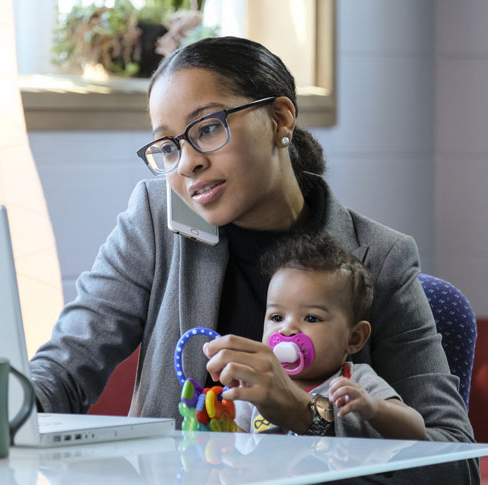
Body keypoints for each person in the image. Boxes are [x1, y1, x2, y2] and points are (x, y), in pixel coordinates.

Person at [30, 36, 478, 482]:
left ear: (280, 119)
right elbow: (65, 370)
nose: (186, 164)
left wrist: (307, 414)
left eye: (207, 128)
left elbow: (455, 463)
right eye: (167, 147)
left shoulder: (381, 257)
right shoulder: (156, 218)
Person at [230, 234, 426, 440]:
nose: (287, 329)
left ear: (354, 339)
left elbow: (417, 431)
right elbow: (230, 447)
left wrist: (374, 408)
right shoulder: (256, 382)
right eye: (277, 317)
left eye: (312, 318)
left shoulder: (354, 383)